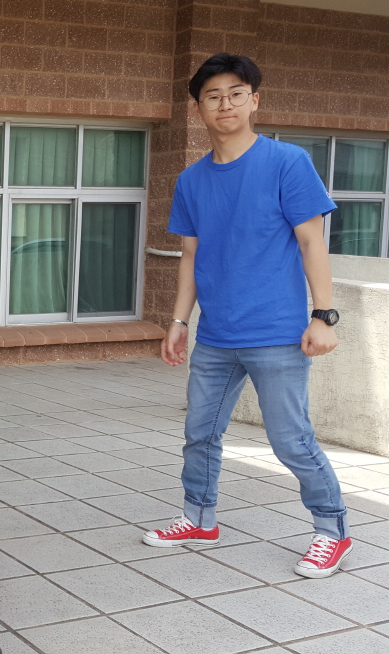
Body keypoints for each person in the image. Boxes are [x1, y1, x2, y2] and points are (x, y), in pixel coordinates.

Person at [145, 53, 350, 579]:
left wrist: (323, 315)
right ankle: (199, 519)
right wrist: (179, 322)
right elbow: (191, 256)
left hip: (277, 333)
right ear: (198, 108)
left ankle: (332, 530)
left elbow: (312, 242)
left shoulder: (287, 162)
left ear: (254, 101)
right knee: (200, 433)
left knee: (291, 440)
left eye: (236, 93)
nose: (225, 104)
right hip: (215, 336)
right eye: (212, 96)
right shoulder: (191, 180)